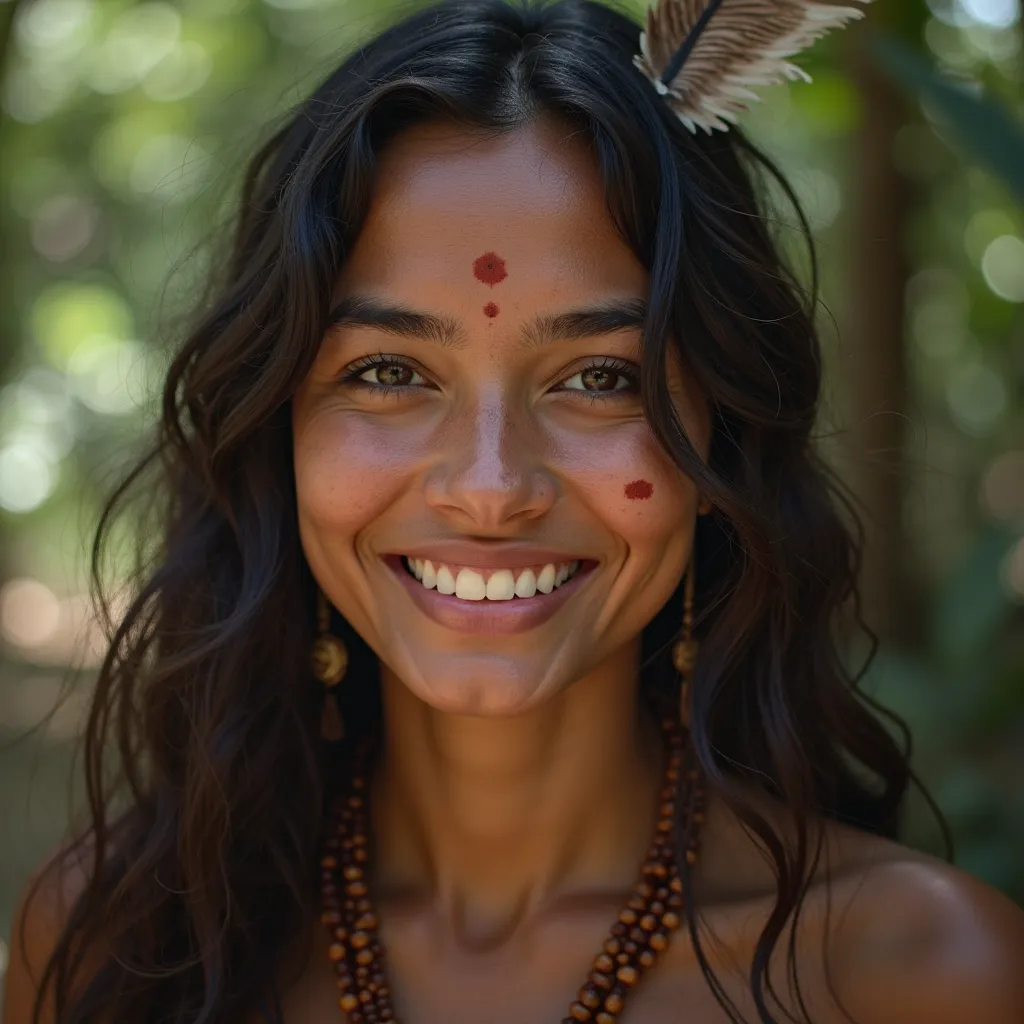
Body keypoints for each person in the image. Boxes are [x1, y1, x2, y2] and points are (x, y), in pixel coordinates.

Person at [4, 1, 1023, 1022]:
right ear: (278, 428)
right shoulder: (119, 941)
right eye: (391, 369)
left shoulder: (922, 975)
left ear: (727, 432)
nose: (490, 487)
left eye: (599, 379)